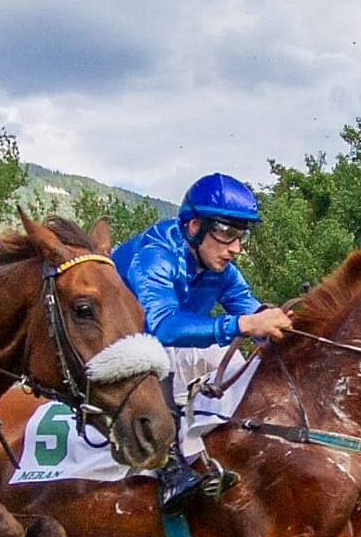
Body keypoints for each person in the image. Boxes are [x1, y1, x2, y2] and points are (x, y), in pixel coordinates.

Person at [112, 172, 294, 510]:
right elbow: (163, 326)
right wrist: (246, 323)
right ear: (194, 226)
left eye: (240, 236)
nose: (235, 248)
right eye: (226, 233)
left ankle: (228, 454)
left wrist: (282, 323)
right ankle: (168, 471)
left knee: (242, 364)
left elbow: (250, 309)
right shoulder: (155, 254)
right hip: (121, 349)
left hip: (162, 348)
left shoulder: (220, 268)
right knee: (159, 355)